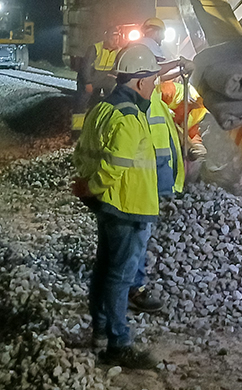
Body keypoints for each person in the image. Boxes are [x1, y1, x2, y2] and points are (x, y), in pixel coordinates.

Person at [71, 43, 162, 370]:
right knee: (120, 277)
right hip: (128, 209)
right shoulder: (129, 117)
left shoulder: (101, 109)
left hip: (108, 207)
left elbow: (81, 154)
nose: (154, 86)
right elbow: (114, 167)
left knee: (105, 270)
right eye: (153, 79)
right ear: (139, 82)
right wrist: (94, 187)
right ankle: (117, 343)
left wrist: (88, 189)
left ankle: (99, 331)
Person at [74, 26, 124, 135]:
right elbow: (85, 67)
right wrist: (87, 83)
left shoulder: (119, 51)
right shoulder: (95, 48)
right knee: (81, 104)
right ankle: (77, 131)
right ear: (107, 38)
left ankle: (102, 127)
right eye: (113, 38)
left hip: (104, 78)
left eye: (117, 38)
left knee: (109, 101)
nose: (115, 40)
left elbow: (118, 68)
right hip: (89, 78)